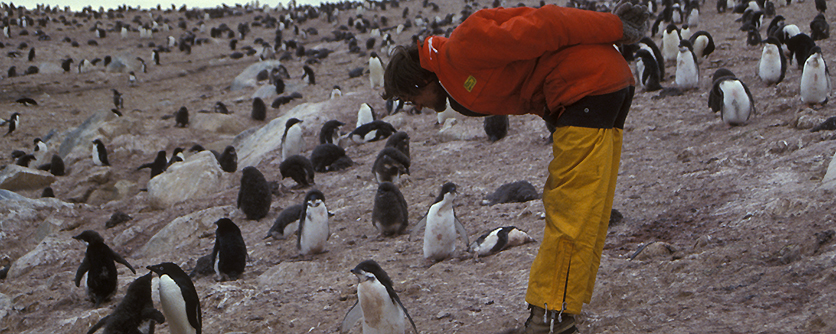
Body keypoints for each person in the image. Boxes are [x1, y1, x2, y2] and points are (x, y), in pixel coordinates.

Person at [382, 1, 649, 333]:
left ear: (418, 83)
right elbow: (527, 80)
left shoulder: (464, 48)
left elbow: (549, 23)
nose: (417, 109)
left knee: (570, 211)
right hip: (600, 87)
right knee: (590, 210)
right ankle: (563, 310)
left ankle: (549, 317)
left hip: (587, 88)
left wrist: (616, 27)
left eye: (411, 101)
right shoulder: (454, 71)